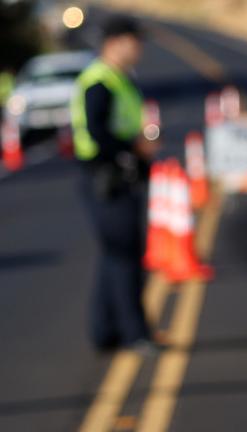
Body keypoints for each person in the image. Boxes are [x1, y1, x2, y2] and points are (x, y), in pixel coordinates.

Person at [70, 16, 159, 351]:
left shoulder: (121, 79)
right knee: (125, 256)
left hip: (121, 176)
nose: (140, 49)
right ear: (116, 41)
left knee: (114, 255)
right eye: (135, 41)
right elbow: (97, 133)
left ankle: (104, 331)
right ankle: (135, 332)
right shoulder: (100, 81)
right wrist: (134, 148)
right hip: (105, 178)